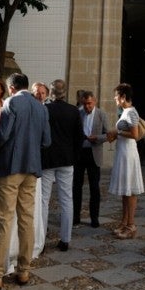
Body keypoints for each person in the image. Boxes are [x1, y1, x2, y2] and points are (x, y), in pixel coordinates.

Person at [0, 73, 50, 290]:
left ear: (12, 87)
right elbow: (46, 140)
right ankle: (24, 270)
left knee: (4, 220)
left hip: (10, 167)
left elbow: (3, 134)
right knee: (26, 218)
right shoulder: (41, 107)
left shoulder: (11, 102)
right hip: (31, 168)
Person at [41, 79, 84, 251]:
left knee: (44, 201)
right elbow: (79, 137)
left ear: (51, 93)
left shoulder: (45, 109)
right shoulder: (73, 111)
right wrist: (74, 155)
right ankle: (65, 239)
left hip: (48, 159)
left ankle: (41, 240)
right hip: (67, 159)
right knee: (67, 199)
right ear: (65, 92)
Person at [107, 83, 144, 239]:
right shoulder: (126, 112)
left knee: (130, 191)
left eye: (116, 96)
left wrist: (117, 132)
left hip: (128, 154)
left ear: (123, 97)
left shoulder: (130, 112)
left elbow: (135, 135)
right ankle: (124, 222)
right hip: (124, 152)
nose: (115, 98)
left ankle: (131, 224)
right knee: (125, 191)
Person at [73, 91, 106, 228]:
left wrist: (97, 138)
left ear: (95, 101)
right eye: (84, 104)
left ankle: (94, 217)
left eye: (89, 104)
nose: (87, 107)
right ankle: (75, 217)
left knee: (94, 188)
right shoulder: (77, 113)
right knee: (76, 187)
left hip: (94, 153)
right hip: (80, 153)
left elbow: (108, 134)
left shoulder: (101, 114)